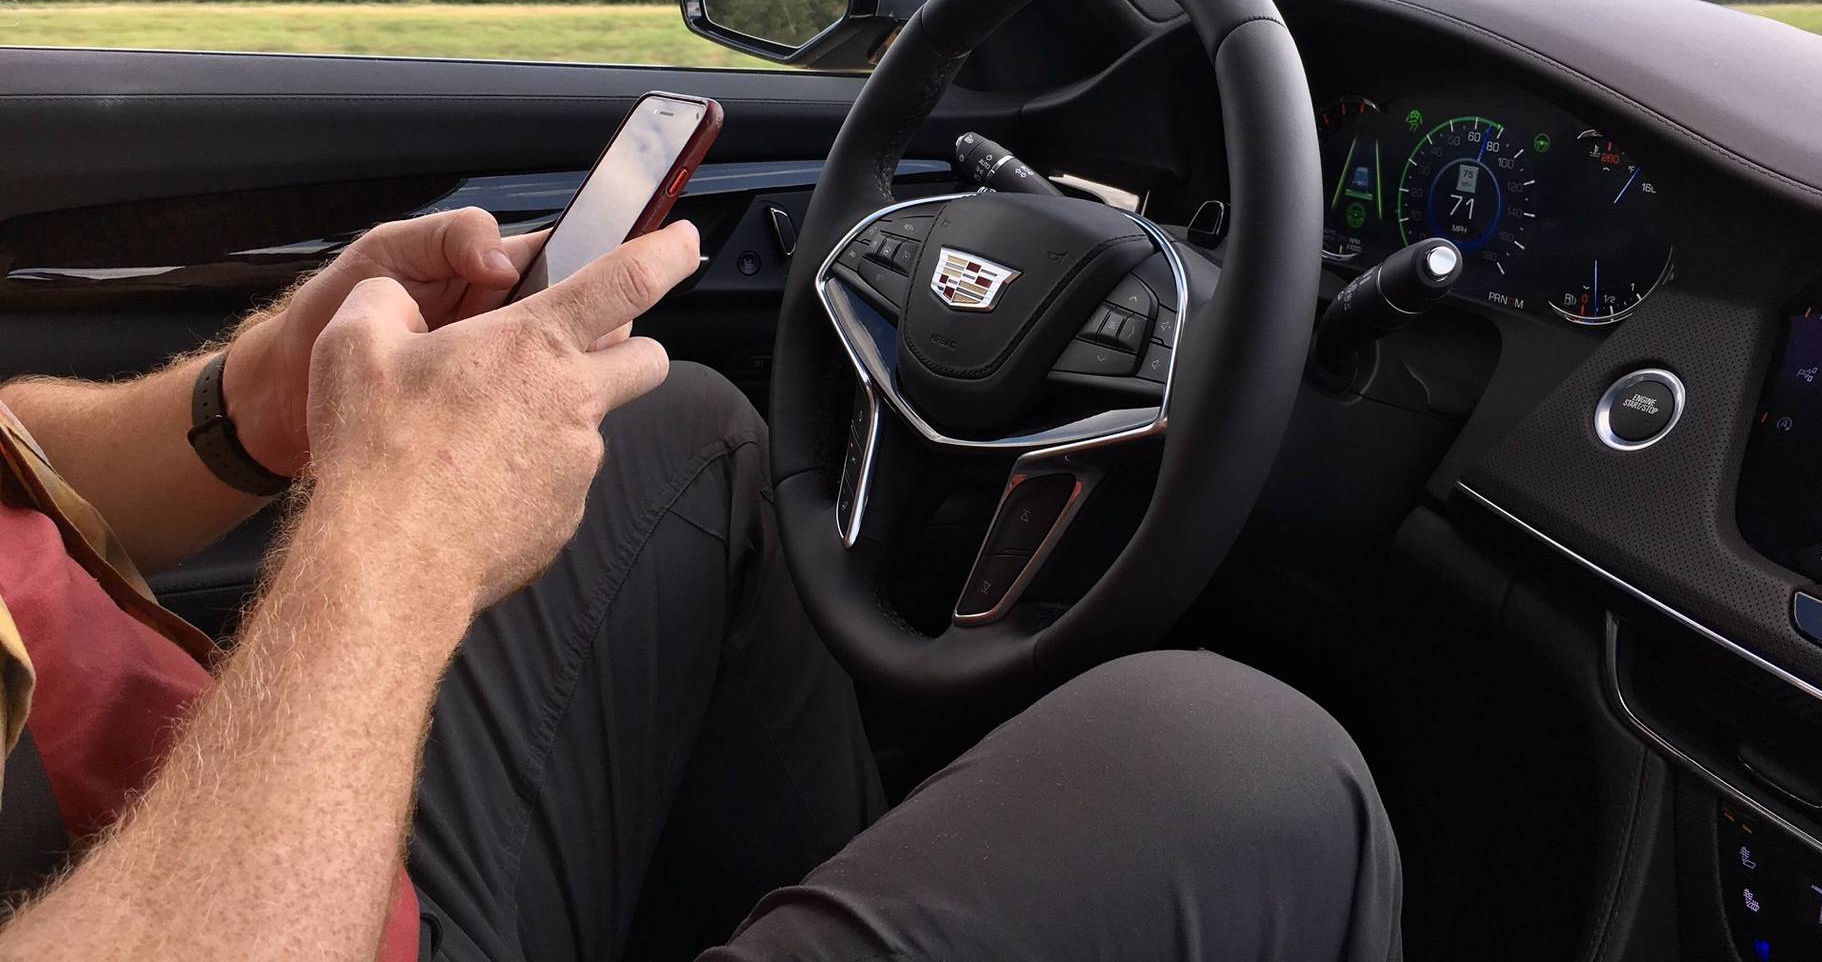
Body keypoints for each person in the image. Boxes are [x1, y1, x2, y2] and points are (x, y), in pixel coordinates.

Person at [0, 206, 1403, 961]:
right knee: (1243, 775)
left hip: (227, 845)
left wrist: (258, 399)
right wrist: (399, 537)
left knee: (670, 434)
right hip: (213, 913)